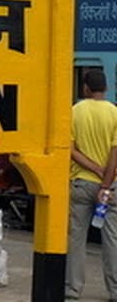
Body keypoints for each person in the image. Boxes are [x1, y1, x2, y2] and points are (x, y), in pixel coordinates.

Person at [66, 69, 117, 301]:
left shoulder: (74, 112)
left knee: (76, 239)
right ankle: (115, 290)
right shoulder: (115, 113)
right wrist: (105, 184)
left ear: (85, 88)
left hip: (81, 184)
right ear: (105, 88)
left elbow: (70, 150)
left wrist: (94, 169)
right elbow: (115, 152)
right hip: (111, 187)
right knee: (112, 239)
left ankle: (73, 290)